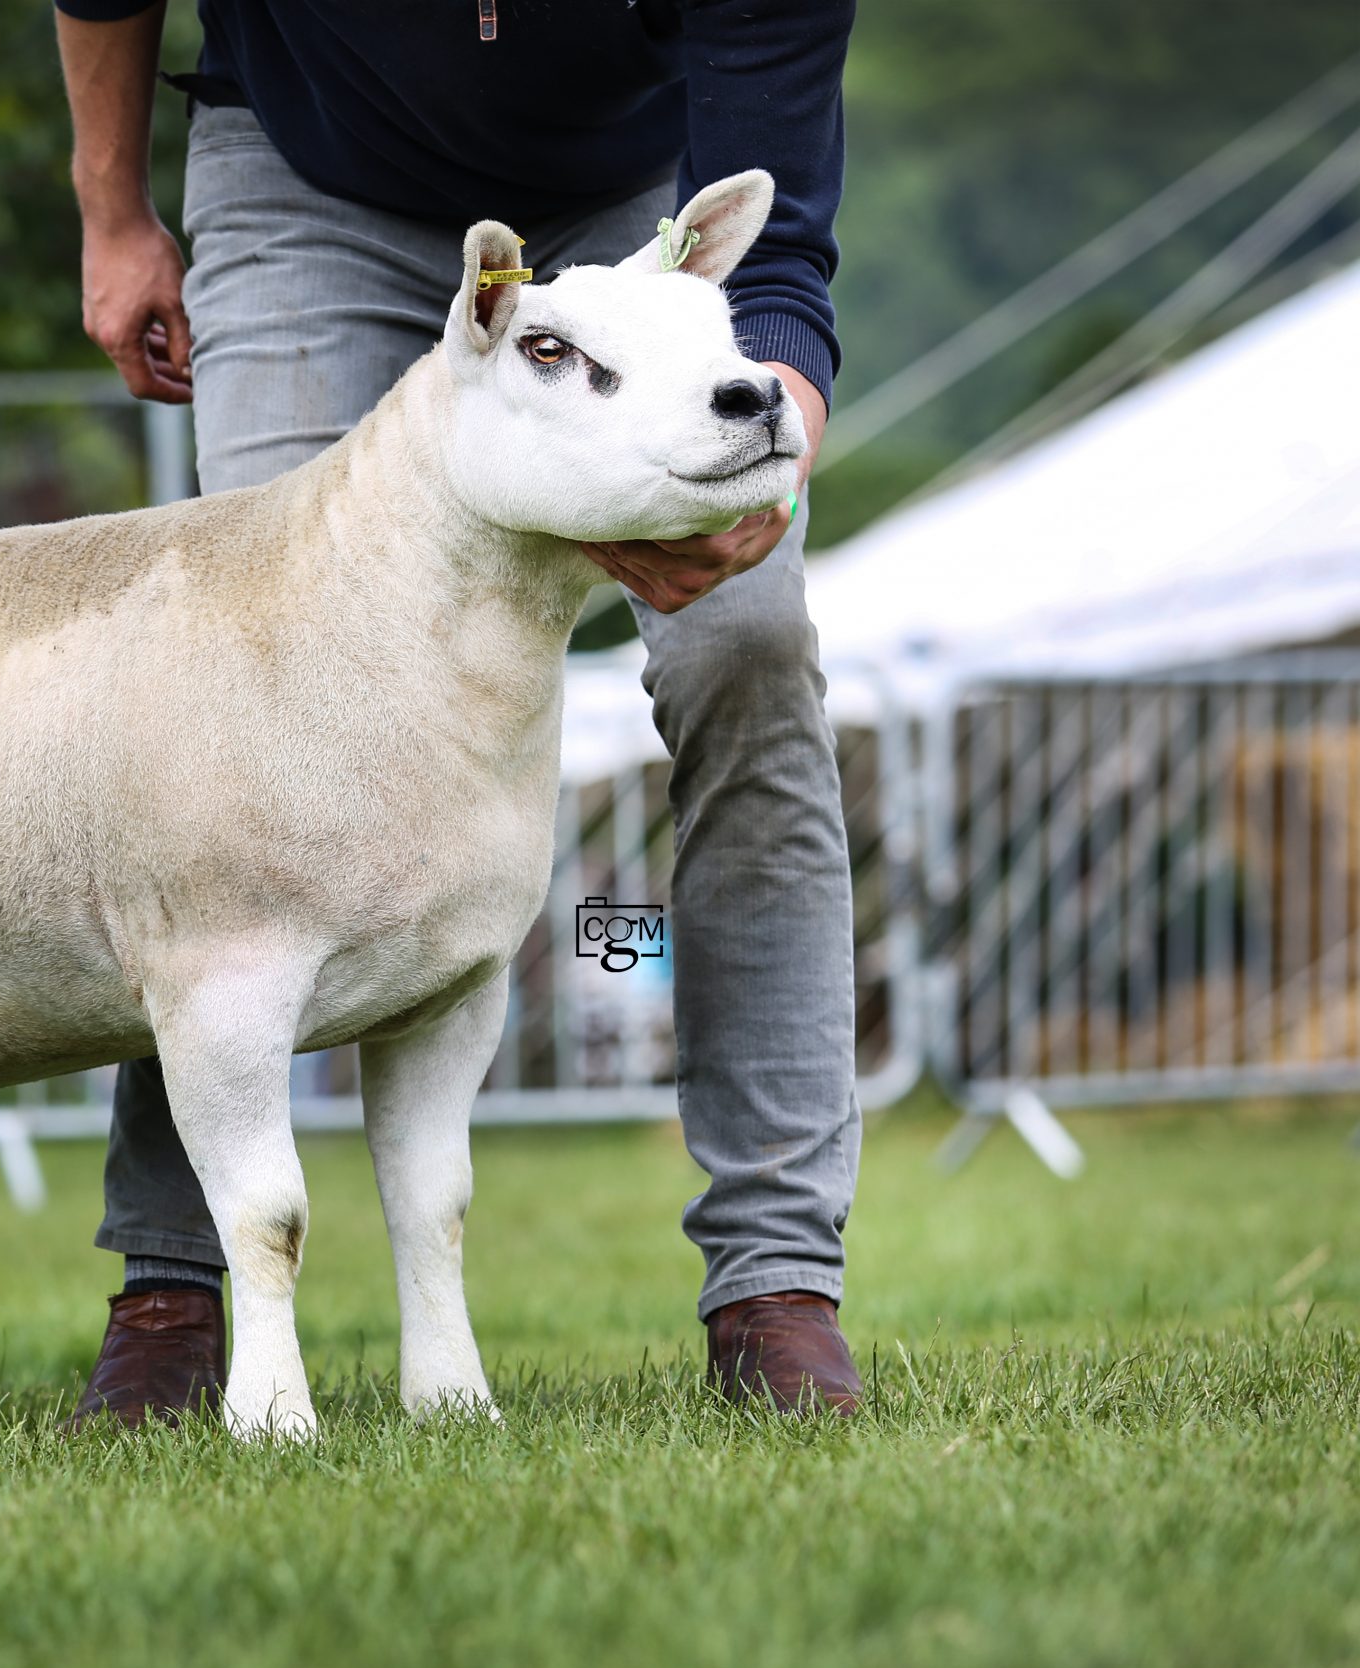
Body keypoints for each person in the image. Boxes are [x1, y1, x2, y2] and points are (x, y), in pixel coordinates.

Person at [53, 0, 866, 1424]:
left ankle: (776, 1280)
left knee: (749, 653)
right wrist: (110, 210)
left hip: (639, 229)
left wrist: (767, 467)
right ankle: (176, 1283)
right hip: (310, 180)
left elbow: (778, 252)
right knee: (227, 714)